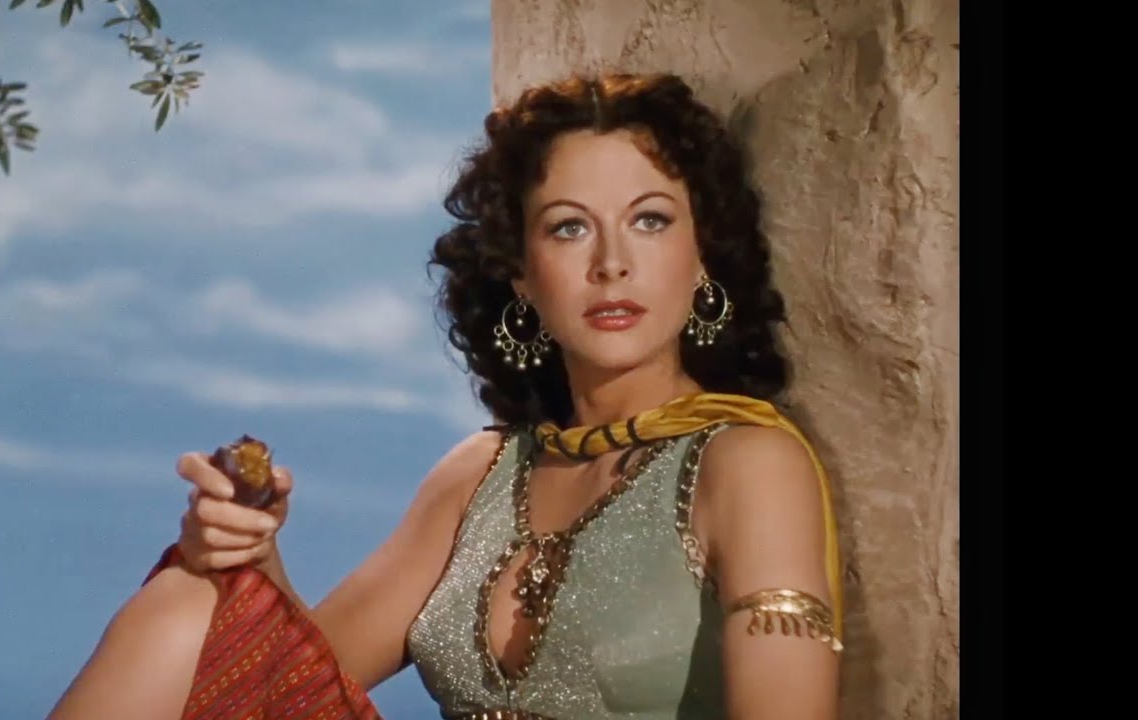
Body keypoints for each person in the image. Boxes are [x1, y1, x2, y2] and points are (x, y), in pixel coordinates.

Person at [47, 72, 844, 720]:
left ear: (702, 256)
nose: (611, 262)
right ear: (520, 274)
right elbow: (295, 683)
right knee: (186, 606)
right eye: (569, 227)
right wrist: (243, 549)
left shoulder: (747, 463)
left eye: (651, 220)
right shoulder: (481, 474)